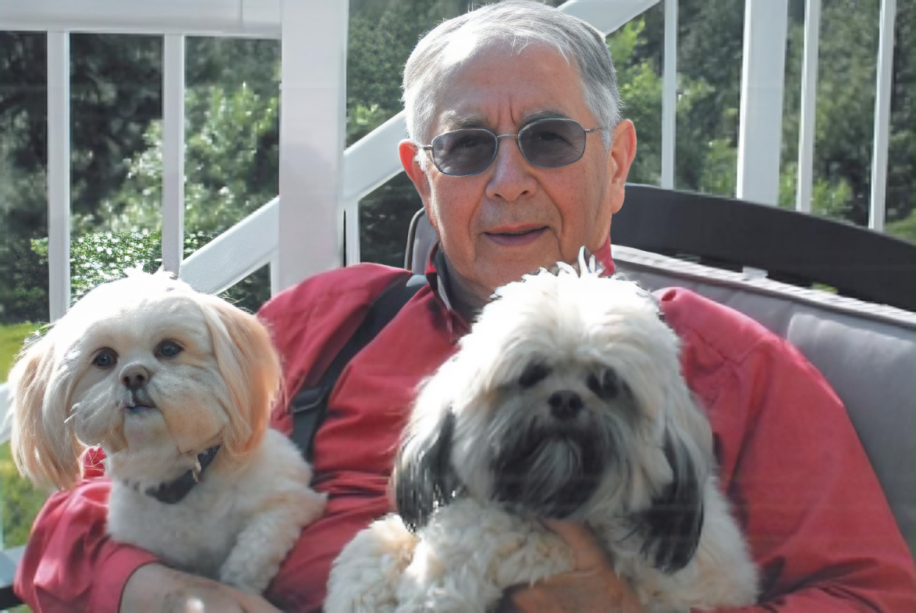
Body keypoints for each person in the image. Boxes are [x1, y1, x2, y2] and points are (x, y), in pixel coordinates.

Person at [14, 2, 915, 612]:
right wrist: (171, 593)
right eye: (467, 148)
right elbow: (75, 522)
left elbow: (874, 596)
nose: (509, 180)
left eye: (550, 140)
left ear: (616, 162)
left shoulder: (730, 367)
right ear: (421, 177)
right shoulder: (324, 322)